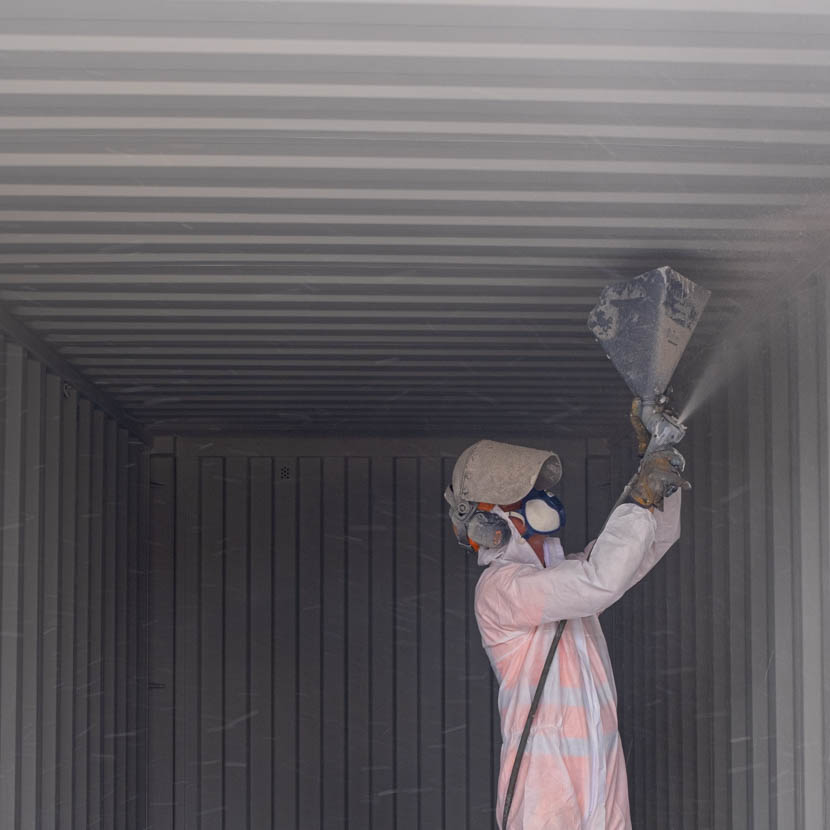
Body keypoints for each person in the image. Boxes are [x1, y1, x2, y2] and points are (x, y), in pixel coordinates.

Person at [444, 434, 687, 829]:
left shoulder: (566, 579)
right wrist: (640, 500)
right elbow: (601, 579)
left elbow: (652, 542)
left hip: (599, 770)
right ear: (496, 519)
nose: (544, 500)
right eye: (529, 496)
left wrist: (660, 474)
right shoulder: (500, 589)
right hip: (546, 784)